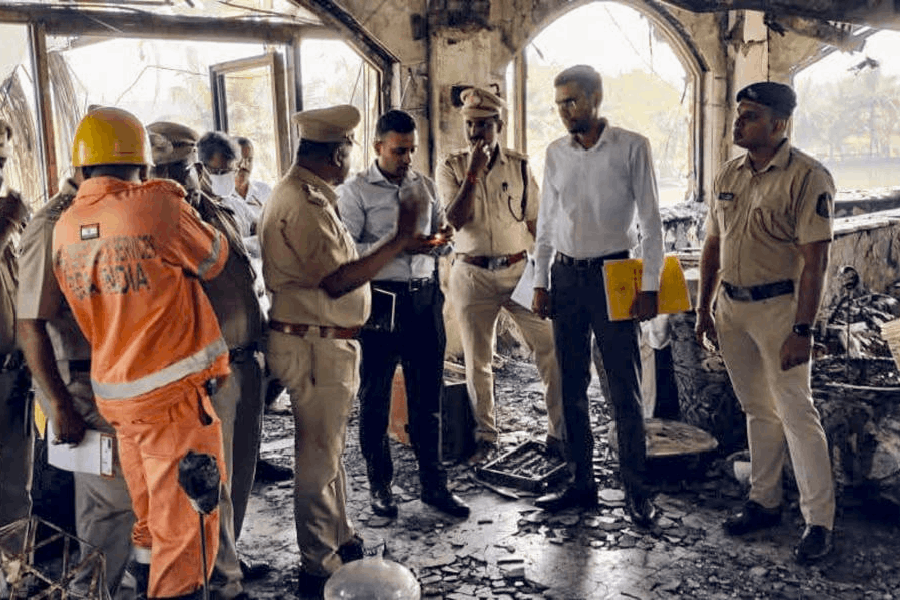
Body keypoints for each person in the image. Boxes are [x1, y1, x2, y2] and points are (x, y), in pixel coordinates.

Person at [52, 107, 230, 600]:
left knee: (151, 519)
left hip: (118, 400)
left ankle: (146, 584)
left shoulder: (64, 227)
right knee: (188, 532)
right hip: (172, 401)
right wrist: (172, 196)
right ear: (145, 165)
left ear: (81, 167)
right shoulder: (157, 207)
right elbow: (215, 260)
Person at [259, 104, 420, 594]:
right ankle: (318, 563)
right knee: (318, 459)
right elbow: (335, 280)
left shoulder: (311, 194)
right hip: (313, 346)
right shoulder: (302, 201)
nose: (350, 156)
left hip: (322, 343)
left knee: (329, 453)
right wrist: (400, 239)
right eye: (348, 147)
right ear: (339, 152)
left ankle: (340, 537)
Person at [695, 81, 836, 564]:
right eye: (738, 114)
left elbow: (815, 263)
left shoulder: (807, 177)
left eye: (750, 115)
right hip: (731, 308)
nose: (738, 123)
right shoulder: (729, 174)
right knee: (757, 409)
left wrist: (804, 330)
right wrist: (703, 308)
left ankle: (819, 522)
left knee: (797, 412)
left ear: (779, 124)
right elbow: (713, 244)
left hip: (780, 309)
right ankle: (764, 501)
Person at [532, 65, 663, 527]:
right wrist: (540, 282)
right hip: (566, 278)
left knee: (623, 389)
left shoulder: (631, 147)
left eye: (573, 101)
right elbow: (546, 223)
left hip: (615, 275)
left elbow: (651, 223)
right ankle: (581, 484)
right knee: (571, 387)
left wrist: (649, 288)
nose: (566, 112)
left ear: (596, 97)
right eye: (560, 104)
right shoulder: (554, 154)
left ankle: (637, 491)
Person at [148, 120, 267, 599]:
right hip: (205, 373)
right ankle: (221, 579)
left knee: (241, 470)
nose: (183, 176)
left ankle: (229, 552)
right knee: (209, 480)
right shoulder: (155, 225)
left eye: (186, 166)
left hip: (245, 359)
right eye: (169, 169)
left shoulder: (218, 209)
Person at [337, 109, 469, 520]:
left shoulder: (424, 185)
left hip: (425, 299)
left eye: (411, 150)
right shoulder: (356, 192)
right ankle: (381, 486)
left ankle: (434, 484)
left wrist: (443, 240)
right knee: (374, 398)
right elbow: (346, 252)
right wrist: (396, 246)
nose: (407, 158)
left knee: (427, 398)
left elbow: (442, 240)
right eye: (398, 151)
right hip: (380, 300)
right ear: (378, 147)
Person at [17, 163, 136, 598]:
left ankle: (108, 588)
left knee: (121, 508)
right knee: (107, 509)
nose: (134, 182)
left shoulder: (111, 211)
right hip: (79, 388)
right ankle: (90, 591)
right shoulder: (52, 223)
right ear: (88, 169)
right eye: (126, 173)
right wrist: (60, 405)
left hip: (119, 382)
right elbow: (30, 324)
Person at [436, 86, 564, 465]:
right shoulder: (452, 167)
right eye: (470, 126)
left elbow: (537, 223)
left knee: (550, 348)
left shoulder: (520, 166)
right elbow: (455, 220)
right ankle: (486, 437)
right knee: (478, 360)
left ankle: (559, 434)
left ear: (499, 126)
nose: (476, 134)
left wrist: (544, 277)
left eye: (483, 126)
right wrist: (472, 175)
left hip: (518, 270)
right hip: (471, 274)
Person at [0, 118, 33, 532]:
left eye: (2, 159)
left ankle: (15, 578)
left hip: (11, 378)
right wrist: (7, 225)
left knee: (13, 493)